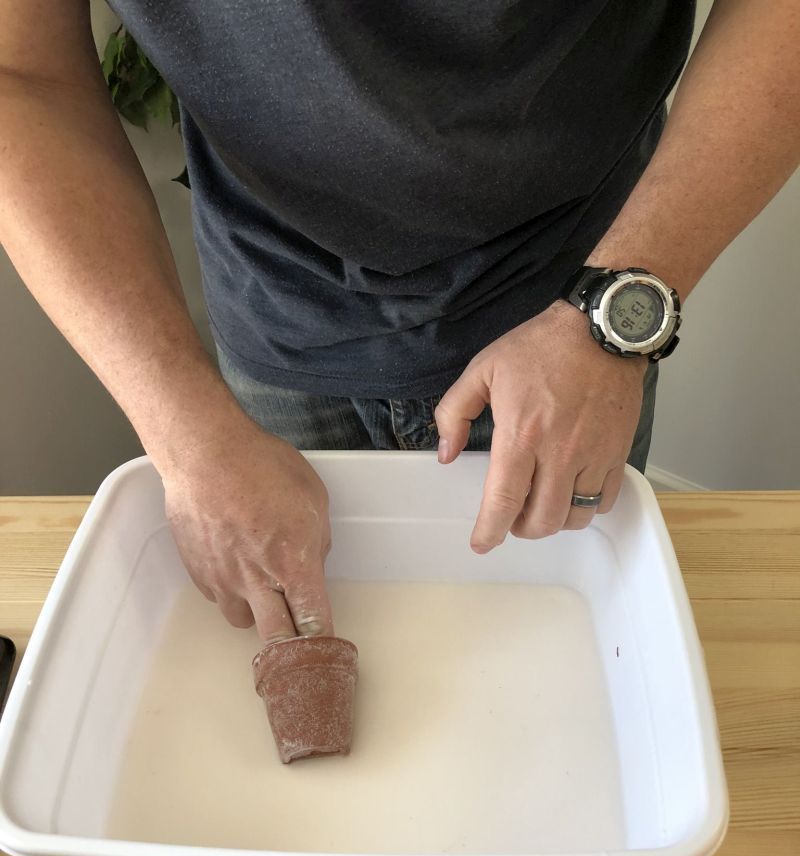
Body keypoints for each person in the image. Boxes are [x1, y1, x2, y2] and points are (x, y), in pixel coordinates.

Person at [1, 1, 798, 646]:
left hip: (575, 316)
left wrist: (616, 314)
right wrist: (179, 425)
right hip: (271, 310)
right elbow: (21, 74)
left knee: (543, 659)